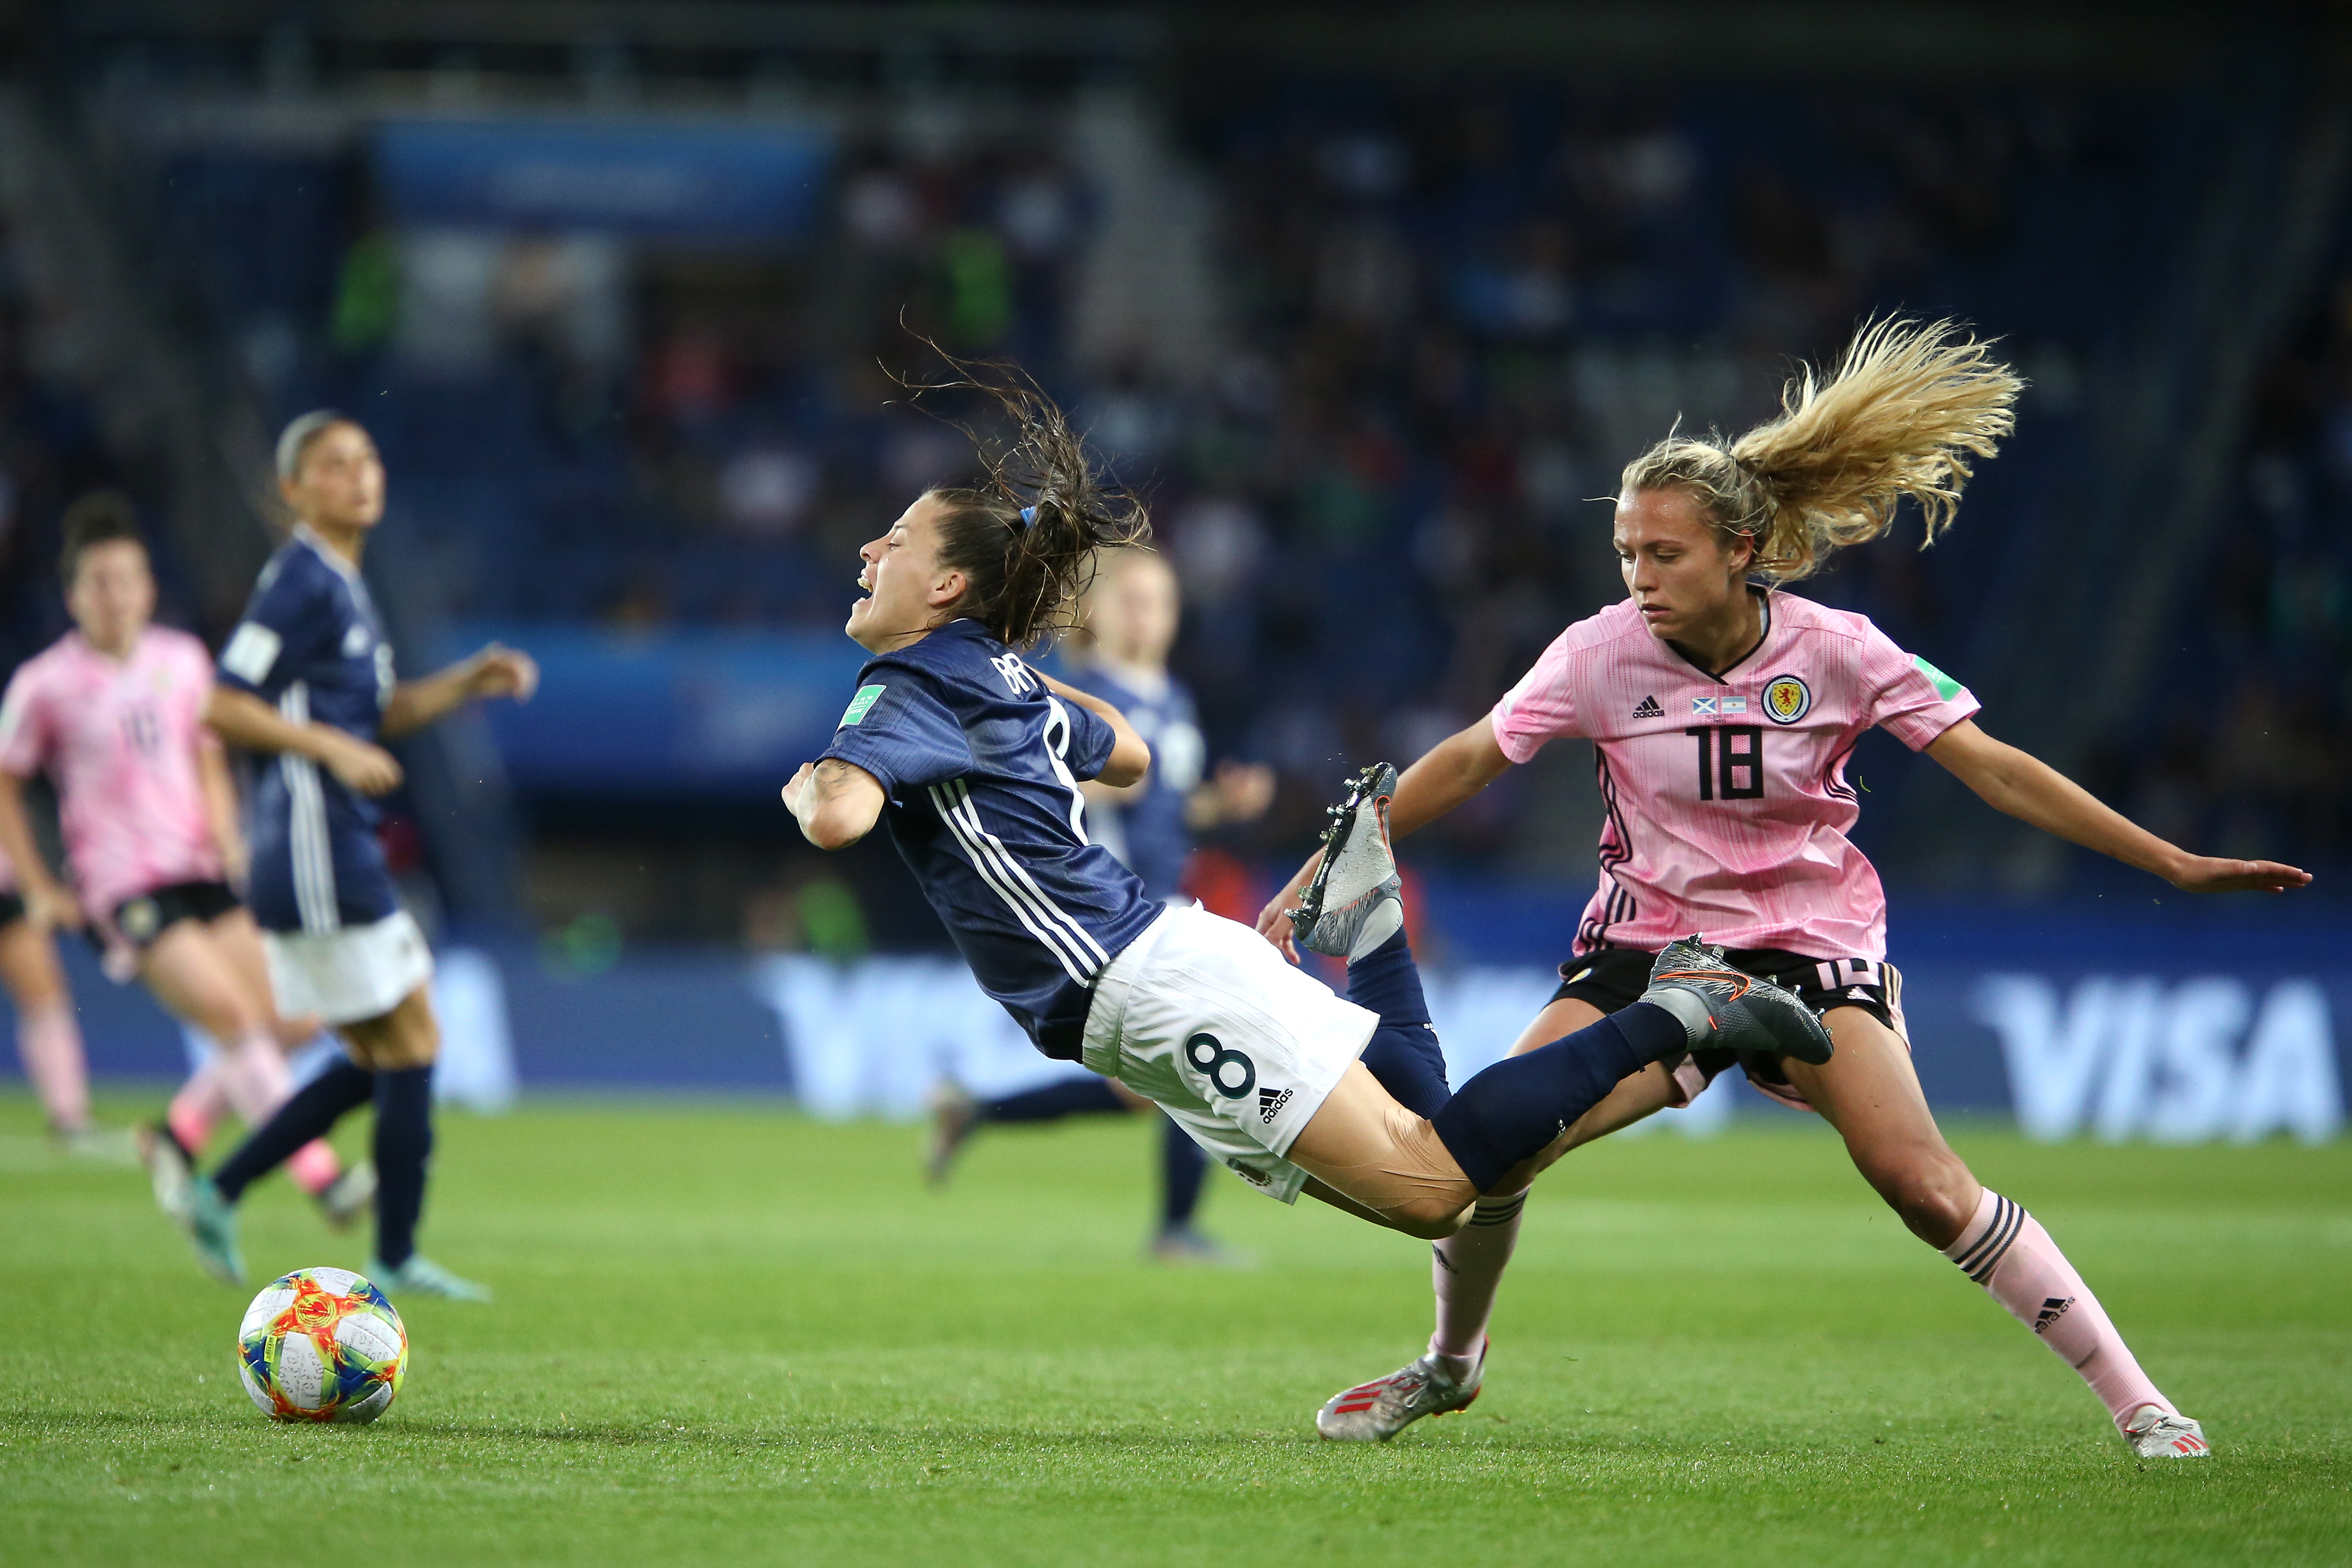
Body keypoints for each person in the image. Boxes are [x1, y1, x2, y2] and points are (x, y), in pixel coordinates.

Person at [1259, 318, 2304, 1459]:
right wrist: (1330, 867)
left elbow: (1994, 770)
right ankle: (1449, 1367)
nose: (1640, 580)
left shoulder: (1842, 650)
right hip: (1647, 949)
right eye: (1627, 554)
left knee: (1923, 1186)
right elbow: (1465, 761)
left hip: (1809, 946)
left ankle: (2141, 1402)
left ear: (1743, 549)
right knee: (1492, 1146)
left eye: (1666, 555)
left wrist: (2171, 861)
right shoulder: (1596, 653)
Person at [782, 360, 1835, 1280]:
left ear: (951, 585)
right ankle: (1370, 921)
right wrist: (1035, 685)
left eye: (900, 539)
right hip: (1155, 973)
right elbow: (1130, 751)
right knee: (1435, 1139)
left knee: (1434, 1193)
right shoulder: (987, 675)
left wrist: (819, 776)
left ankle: (1686, 1007)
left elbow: (838, 823)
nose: (872, 547)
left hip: (1142, 986)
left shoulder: (907, 685)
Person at [169, 412, 538, 1300]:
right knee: (411, 1040)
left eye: (367, 458)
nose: (360, 475)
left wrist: (463, 683)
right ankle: (393, 1252)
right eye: (334, 465)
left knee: (386, 1052)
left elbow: (367, 715)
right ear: (292, 492)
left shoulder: (344, 583)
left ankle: (221, 1190)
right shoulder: (300, 579)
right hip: (311, 845)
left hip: (334, 840)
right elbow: (222, 705)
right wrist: (327, 751)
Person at [0, 491, 363, 1216]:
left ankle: (179, 1131)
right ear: (73, 597)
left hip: (200, 869)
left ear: (149, 588)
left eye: (126, 580)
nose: (114, 597)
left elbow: (207, 761)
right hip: (123, 887)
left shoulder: (185, 659)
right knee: (234, 1019)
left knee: (298, 1017)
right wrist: (37, 880)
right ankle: (323, 1179)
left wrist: (229, 839)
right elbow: (6, 779)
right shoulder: (44, 684)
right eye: (98, 583)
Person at [925, 546, 1276, 1263]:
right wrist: (1099, 783)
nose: (1147, 614)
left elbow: (1168, 809)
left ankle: (977, 1113)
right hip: (1107, 906)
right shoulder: (1079, 695)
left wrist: (1219, 803)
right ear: (1095, 612)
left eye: (1161, 601)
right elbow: (1033, 785)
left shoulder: (1173, 700)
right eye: (1132, 599)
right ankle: (1176, 1230)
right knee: (1190, 1062)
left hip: (1165, 900)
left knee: (1150, 1087)